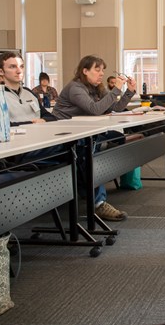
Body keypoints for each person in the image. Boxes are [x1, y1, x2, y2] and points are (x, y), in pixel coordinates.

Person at [53, 55, 137, 222]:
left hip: (82, 133)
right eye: (97, 70)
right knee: (89, 152)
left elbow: (115, 108)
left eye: (102, 70)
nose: (101, 74)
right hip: (62, 136)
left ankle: (92, 182)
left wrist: (129, 91)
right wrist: (116, 90)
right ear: (85, 71)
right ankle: (98, 202)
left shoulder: (97, 87)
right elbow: (95, 110)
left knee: (118, 138)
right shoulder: (75, 88)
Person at [0, 53, 56, 127]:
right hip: (13, 137)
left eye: (22, 66)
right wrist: (32, 124)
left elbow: (50, 117)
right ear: (1, 71)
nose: (19, 71)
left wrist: (43, 120)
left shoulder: (28, 92)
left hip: (39, 134)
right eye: (12, 67)